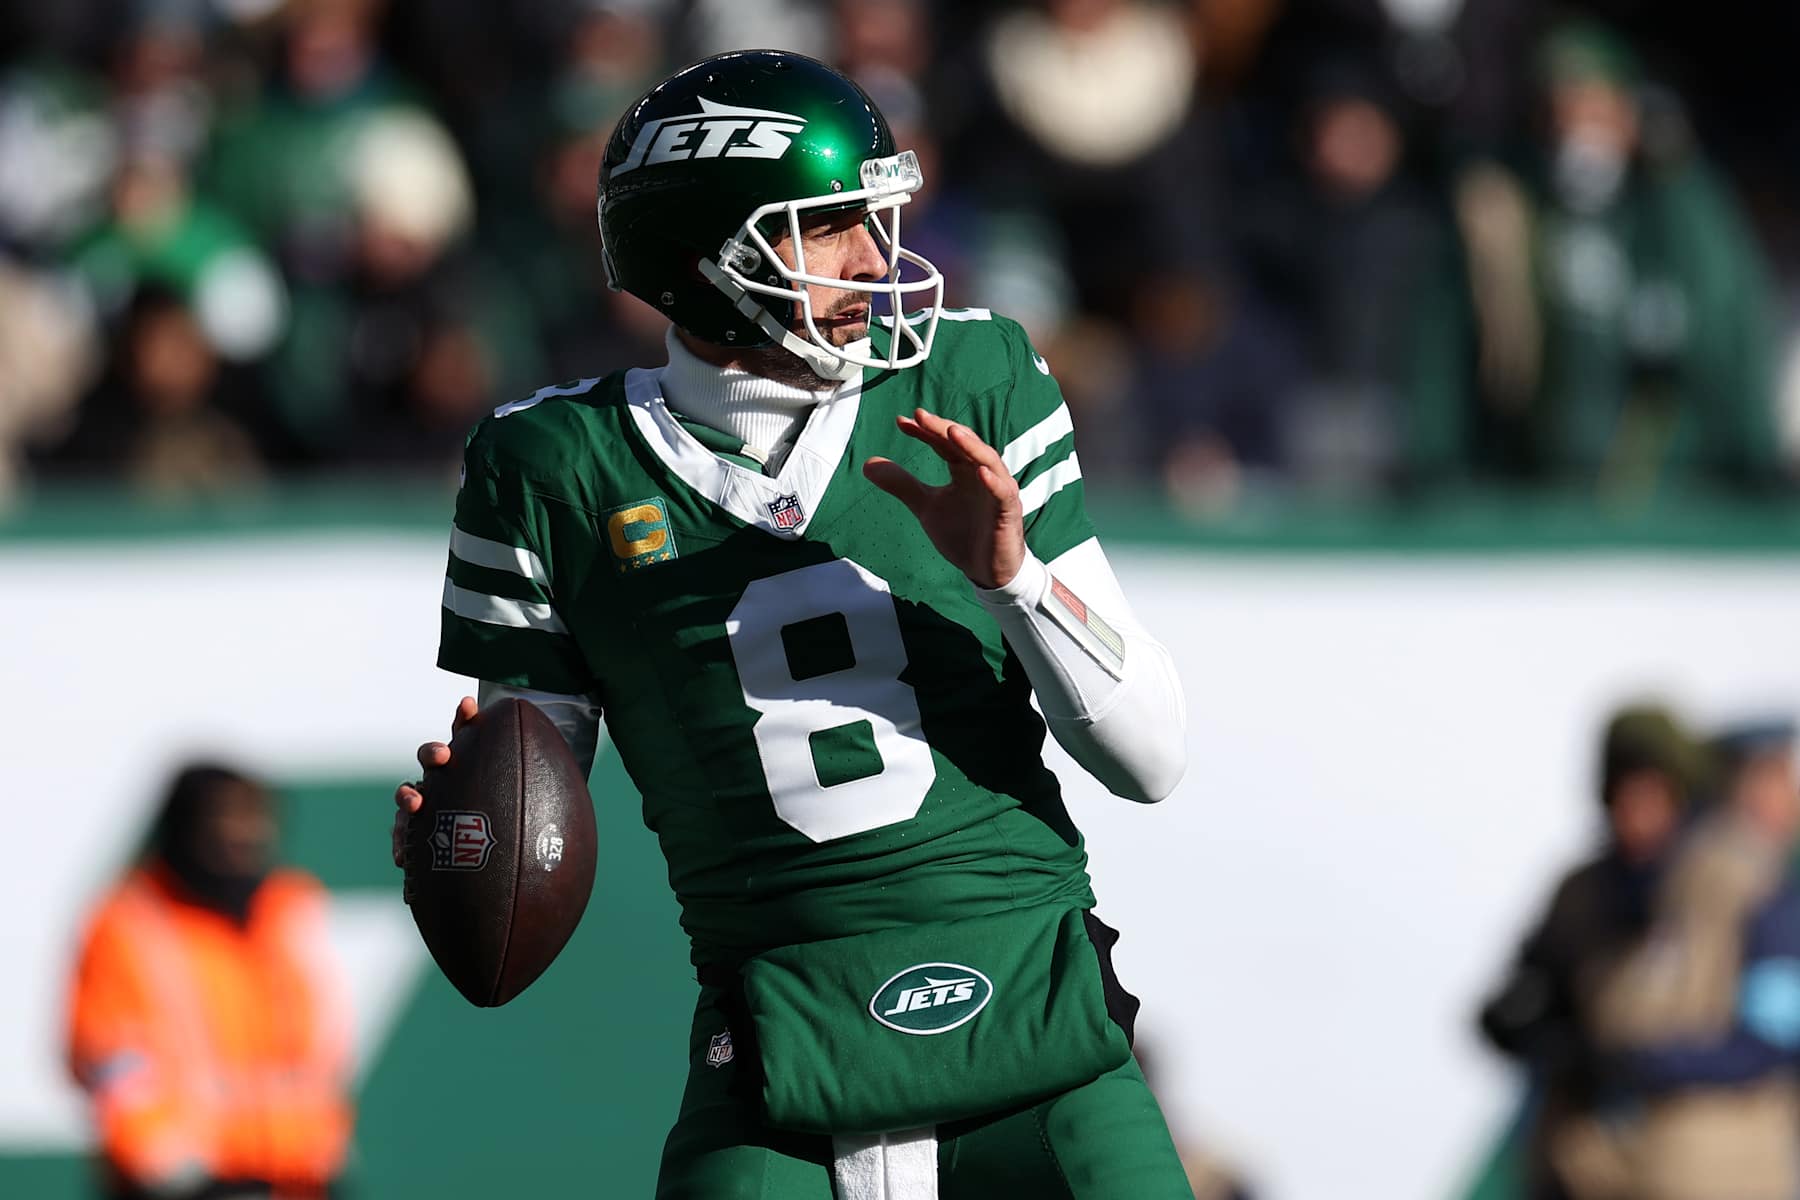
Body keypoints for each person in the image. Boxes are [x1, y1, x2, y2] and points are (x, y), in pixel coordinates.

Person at [391, 50, 1192, 1200]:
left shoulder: (973, 377)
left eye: (877, 216)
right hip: (778, 1050)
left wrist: (1016, 581)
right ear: (707, 257)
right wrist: (468, 843)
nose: (877, 259)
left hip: (1040, 1031)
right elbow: (533, 788)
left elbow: (1154, 758)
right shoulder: (551, 467)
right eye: (828, 226)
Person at [68, 763, 354, 1200]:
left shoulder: (290, 908)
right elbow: (115, 1067)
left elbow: (323, 1053)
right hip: (187, 1187)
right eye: (223, 819)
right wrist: (177, 1176)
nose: (242, 835)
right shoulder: (131, 922)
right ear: (184, 827)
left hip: (301, 1181)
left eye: (253, 817)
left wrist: (323, 1161)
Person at [1477, 704, 1702, 1200]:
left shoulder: (1709, 891)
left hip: (1676, 1149)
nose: (1640, 815)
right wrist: (1537, 1028)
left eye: (1654, 797)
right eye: (1627, 797)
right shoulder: (1581, 891)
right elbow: (1525, 986)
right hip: (1577, 1143)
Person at [1583, 718, 1800, 1200]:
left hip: (1657, 1153)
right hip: (1733, 1164)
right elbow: (1773, 1036)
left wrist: (1636, 1061)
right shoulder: (1761, 885)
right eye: (1782, 777)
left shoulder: (1671, 873)